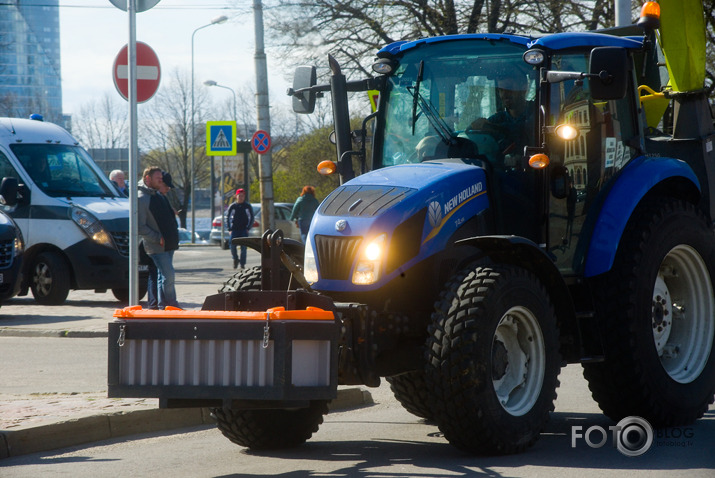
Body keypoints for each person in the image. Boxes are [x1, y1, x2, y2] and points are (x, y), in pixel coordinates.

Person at [137, 166, 180, 309]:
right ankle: (171, 304)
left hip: (168, 244)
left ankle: (163, 306)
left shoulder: (157, 195)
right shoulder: (142, 198)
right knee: (169, 276)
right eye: (158, 179)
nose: (161, 181)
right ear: (147, 178)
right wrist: (157, 238)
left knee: (163, 276)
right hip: (157, 245)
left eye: (161, 179)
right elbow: (140, 226)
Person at [469, 74, 535, 164]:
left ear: (524, 87)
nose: (504, 94)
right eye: (501, 90)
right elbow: (472, 132)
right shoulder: (498, 119)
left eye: (509, 88)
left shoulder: (537, 113)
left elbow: (522, 130)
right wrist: (475, 126)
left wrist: (493, 128)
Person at [226, 188, 254, 269]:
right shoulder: (233, 206)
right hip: (234, 229)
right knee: (232, 245)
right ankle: (235, 259)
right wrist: (229, 229)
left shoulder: (247, 206)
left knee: (243, 247)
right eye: (239, 195)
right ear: (236, 196)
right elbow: (228, 218)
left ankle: (242, 264)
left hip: (244, 230)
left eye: (242, 196)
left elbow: (251, 217)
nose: (240, 197)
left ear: (244, 196)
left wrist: (248, 228)